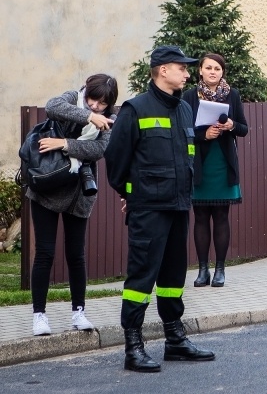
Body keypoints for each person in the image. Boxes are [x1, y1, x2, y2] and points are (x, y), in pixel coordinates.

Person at [105, 46, 214, 373]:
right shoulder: (135, 109)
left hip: (179, 205)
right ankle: (133, 346)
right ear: (163, 70)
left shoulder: (184, 109)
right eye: (182, 68)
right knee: (141, 276)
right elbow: (116, 161)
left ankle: (175, 340)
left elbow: (187, 157)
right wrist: (132, 193)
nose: (187, 73)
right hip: (148, 208)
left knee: (172, 277)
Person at [28, 74, 118, 336]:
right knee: (44, 253)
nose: (95, 106)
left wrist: (64, 143)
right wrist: (89, 117)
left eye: (102, 103)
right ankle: (39, 315)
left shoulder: (109, 120)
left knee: (76, 255)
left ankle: (79, 312)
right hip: (47, 185)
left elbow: (99, 150)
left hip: (79, 190)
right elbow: (52, 106)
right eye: (92, 99)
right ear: (86, 91)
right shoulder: (72, 99)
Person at [182, 53, 249, 288]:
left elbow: (243, 129)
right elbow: (183, 130)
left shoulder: (233, 95)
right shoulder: (189, 96)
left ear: (222, 72)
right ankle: (203, 270)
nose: (213, 72)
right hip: (200, 163)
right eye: (209, 68)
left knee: (221, 217)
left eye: (217, 69)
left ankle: (220, 270)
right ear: (200, 70)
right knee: (200, 217)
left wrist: (231, 125)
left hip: (223, 163)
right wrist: (204, 135)